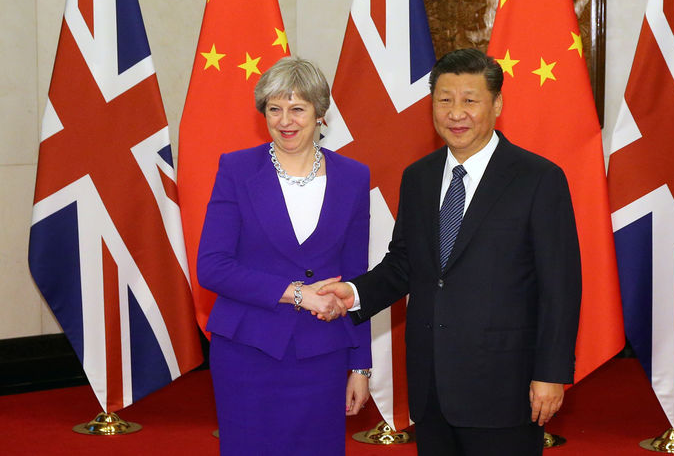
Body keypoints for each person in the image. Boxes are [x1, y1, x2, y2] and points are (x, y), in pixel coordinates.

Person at [319, 48, 581, 456]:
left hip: (504, 386)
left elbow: (560, 287)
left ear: (496, 104)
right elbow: (406, 263)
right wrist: (353, 294)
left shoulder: (538, 179)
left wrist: (551, 373)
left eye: (469, 100)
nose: (456, 112)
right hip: (431, 385)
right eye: (445, 100)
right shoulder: (418, 177)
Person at [197, 56, 372, 456]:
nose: (285, 120)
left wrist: (361, 366)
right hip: (248, 350)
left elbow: (356, 277)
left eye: (297, 108)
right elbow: (212, 266)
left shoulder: (354, 176)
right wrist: (297, 293)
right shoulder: (237, 169)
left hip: (322, 355)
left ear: (319, 113)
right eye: (274, 109)